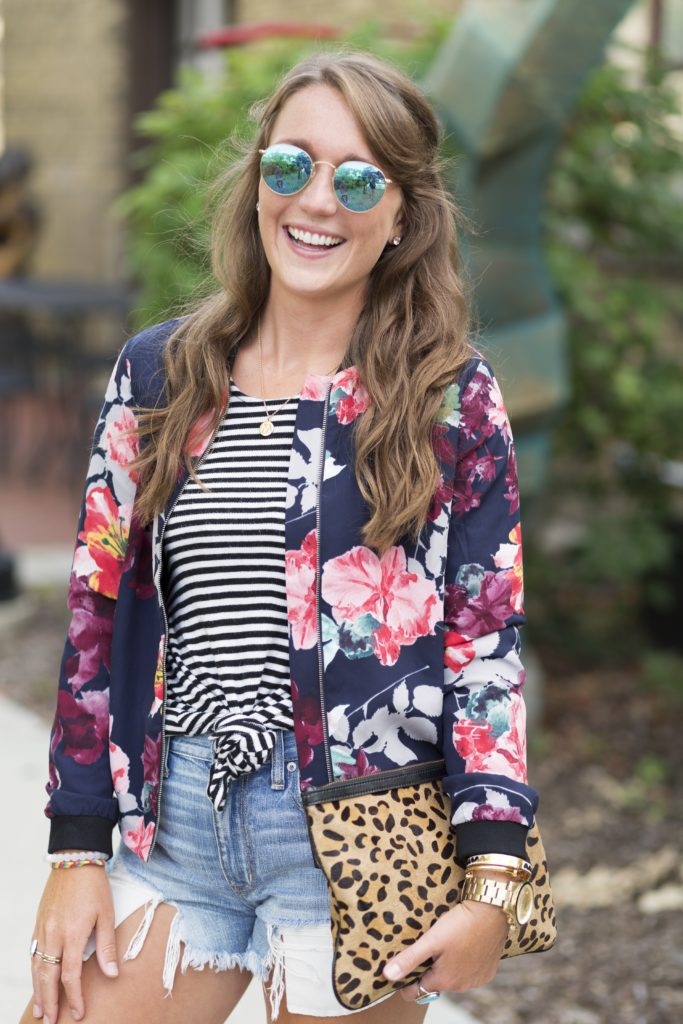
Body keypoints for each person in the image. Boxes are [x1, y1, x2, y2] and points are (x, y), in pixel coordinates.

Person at [22, 49, 539, 1024]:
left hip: (363, 841)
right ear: (256, 178)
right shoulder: (159, 374)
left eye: (356, 179)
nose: (317, 199)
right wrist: (76, 850)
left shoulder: (445, 394)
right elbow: (95, 614)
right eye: (289, 165)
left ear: (400, 215)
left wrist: (493, 879)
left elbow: (485, 641)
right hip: (172, 830)